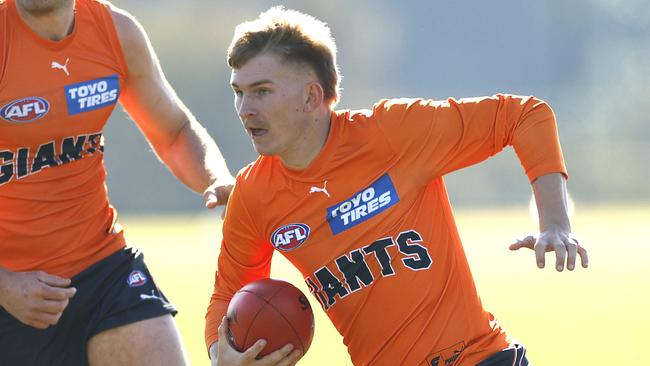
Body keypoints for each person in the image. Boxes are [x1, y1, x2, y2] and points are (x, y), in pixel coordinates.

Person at [205, 6, 589, 366]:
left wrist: (555, 221)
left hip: (480, 358)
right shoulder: (254, 194)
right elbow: (226, 297)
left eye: (262, 91)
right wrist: (222, 356)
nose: (245, 109)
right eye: (238, 92)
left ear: (311, 96)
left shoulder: (394, 132)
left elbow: (525, 116)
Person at [0, 0, 234, 364]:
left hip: (103, 269)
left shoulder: (115, 32)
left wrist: (217, 180)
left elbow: (174, 131)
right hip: (12, 292)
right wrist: (5, 285)